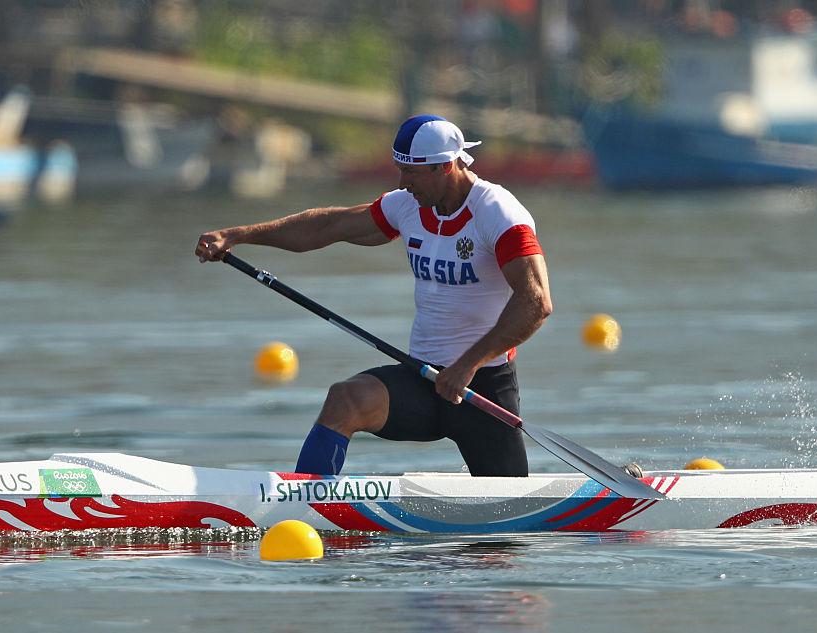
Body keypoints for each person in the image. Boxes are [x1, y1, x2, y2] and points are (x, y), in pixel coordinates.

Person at [195, 114, 552, 477]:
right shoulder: (407, 205)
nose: (403, 182)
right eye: (401, 170)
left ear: (446, 166)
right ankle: (307, 502)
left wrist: (467, 365)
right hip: (423, 378)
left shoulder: (498, 213)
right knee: (345, 400)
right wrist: (238, 235)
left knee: (508, 516)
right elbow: (327, 225)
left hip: (483, 387)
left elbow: (536, 303)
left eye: (412, 173)